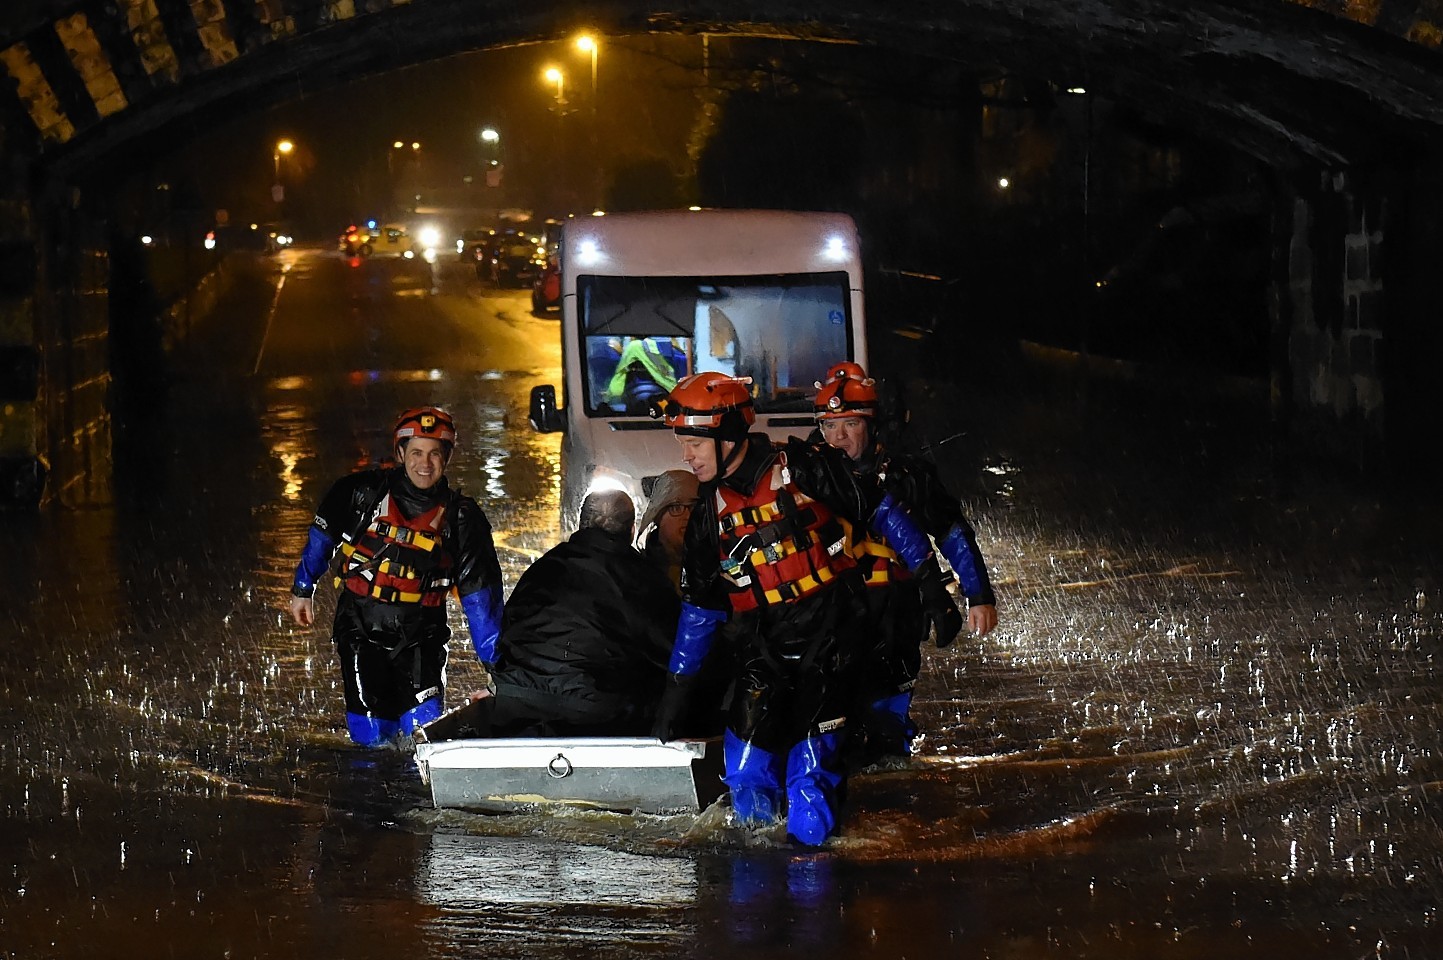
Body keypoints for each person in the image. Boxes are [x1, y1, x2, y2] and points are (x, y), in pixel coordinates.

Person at [650, 371, 962, 846]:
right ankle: (754, 893)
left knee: (810, 785)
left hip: (831, 645)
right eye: (683, 443)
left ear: (728, 434)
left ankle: (813, 894)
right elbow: (701, 610)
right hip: (763, 650)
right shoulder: (708, 516)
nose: (685, 455)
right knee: (748, 778)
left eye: (694, 442)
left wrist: (931, 584)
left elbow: (883, 513)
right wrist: (677, 690)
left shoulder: (805, 467)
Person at [813, 362, 999, 765]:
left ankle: (889, 785)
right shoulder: (811, 476)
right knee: (827, 724)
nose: (837, 437)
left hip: (895, 612)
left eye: (849, 425)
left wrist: (978, 595)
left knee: (886, 726)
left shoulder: (909, 476)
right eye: (829, 426)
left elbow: (953, 534)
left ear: (874, 425)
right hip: (834, 611)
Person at [288, 406, 504, 747]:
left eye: (435, 454)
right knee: (372, 739)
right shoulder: (359, 493)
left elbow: (481, 603)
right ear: (400, 453)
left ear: (447, 458)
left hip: (422, 635)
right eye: (416, 452)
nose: (424, 463)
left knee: (424, 737)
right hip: (360, 627)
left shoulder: (463, 519)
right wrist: (304, 587)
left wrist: (501, 674)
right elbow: (321, 540)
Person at [468, 489, 680, 737]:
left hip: (516, 699)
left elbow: (509, 632)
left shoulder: (542, 568)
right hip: (591, 709)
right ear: (631, 531)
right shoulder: (642, 579)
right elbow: (673, 652)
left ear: (580, 525)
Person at [638, 468, 701, 594]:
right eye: (677, 508)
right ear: (658, 515)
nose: (688, 516)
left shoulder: (716, 568)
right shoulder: (639, 573)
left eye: (694, 507)